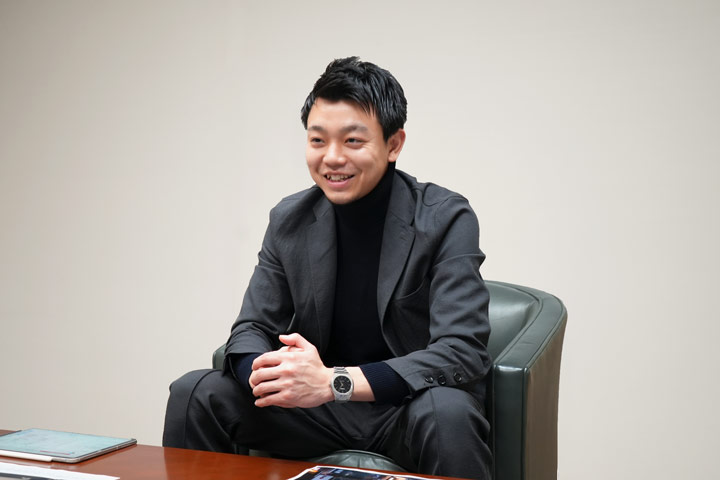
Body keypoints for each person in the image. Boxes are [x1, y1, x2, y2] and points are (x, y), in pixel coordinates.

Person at [162, 57, 492, 480]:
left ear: (393, 144)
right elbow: (250, 328)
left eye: (352, 141)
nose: (332, 158)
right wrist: (270, 375)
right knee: (195, 391)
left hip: (407, 409)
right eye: (318, 141)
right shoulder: (290, 219)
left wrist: (334, 381)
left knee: (448, 412)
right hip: (315, 410)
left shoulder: (445, 218)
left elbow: (461, 350)